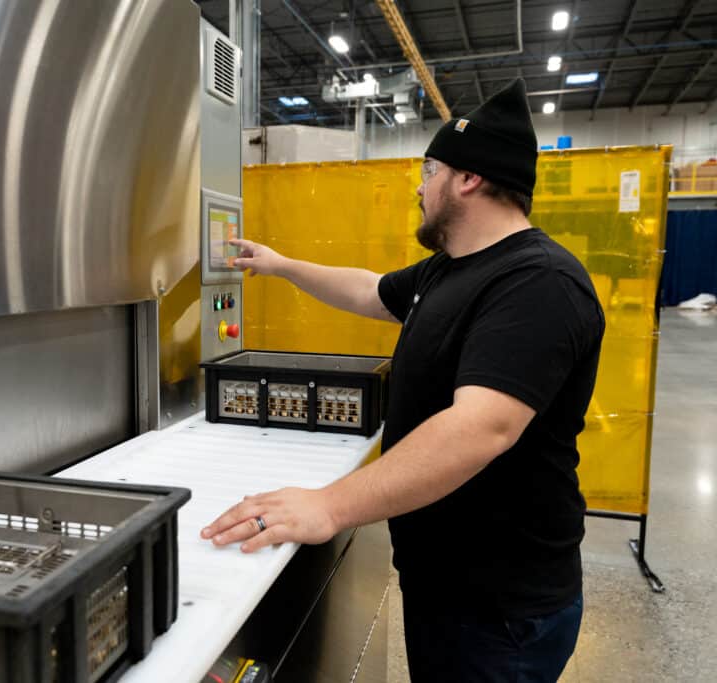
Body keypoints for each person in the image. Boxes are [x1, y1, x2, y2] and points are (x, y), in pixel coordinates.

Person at [200, 79, 605, 682]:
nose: (420, 186)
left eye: (429, 169)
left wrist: (329, 506)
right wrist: (279, 265)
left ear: (467, 178)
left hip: (500, 607)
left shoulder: (537, 283)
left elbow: (480, 429)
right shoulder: (452, 269)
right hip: (445, 581)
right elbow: (367, 289)